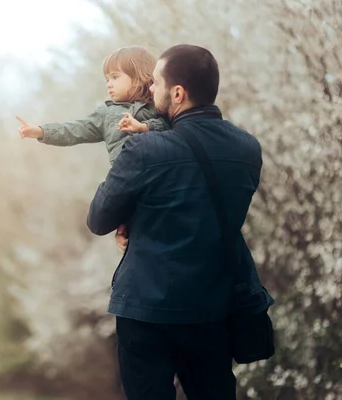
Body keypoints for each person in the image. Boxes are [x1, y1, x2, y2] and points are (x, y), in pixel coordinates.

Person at [86, 44, 274, 400]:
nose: (149, 91)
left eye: (155, 84)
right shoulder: (247, 149)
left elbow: (98, 217)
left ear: (177, 93)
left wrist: (131, 221)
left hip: (145, 310)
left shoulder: (144, 150)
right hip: (211, 310)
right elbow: (199, 205)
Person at [16, 46, 169, 166]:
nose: (109, 84)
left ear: (138, 75)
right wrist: (41, 132)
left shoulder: (158, 104)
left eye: (115, 77)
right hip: (126, 175)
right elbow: (74, 130)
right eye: (107, 79)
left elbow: (172, 127)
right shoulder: (106, 113)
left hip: (159, 169)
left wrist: (144, 127)